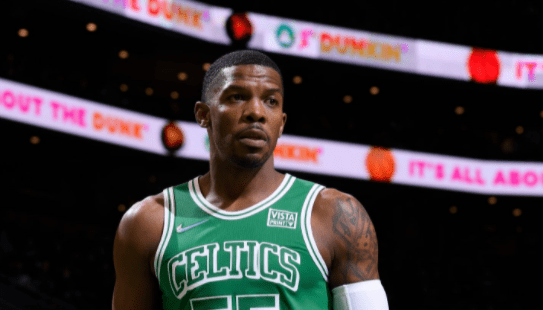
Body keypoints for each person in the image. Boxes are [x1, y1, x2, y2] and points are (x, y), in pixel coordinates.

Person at [112, 50, 389, 310]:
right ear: (203, 115)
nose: (256, 112)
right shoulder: (148, 222)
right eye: (237, 97)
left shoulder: (336, 214)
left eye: (271, 101)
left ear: (281, 123)